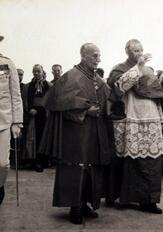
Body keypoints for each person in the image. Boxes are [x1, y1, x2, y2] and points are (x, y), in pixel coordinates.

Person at [40, 43, 114, 224]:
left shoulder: (97, 78)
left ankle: (86, 202)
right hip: (76, 132)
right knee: (76, 167)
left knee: (93, 167)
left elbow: (109, 97)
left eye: (99, 56)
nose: (99, 59)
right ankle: (75, 206)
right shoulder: (70, 77)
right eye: (95, 56)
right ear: (84, 56)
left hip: (95, 131)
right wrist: (85, 110)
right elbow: (59, 104)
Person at [107, 39, 163, 214]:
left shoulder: (149, 71)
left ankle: (149, 201)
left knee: (151, 160)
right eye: (135, 50)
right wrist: (137, 68)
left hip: (150, 118)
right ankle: (120, 197)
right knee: (126, 159)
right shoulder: (119, 69)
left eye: (140, 50)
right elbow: (117, 89)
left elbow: (157, 95)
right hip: (129, 118)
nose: (139, 53)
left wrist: (161, 119)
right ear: (127, 52)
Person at [0, 35, 23, 205]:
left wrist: (17, 122)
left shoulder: (7, 64)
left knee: (2, 164)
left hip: (4, 121)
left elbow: (16, 95)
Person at [24, 65, 52, 172]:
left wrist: (40, 110)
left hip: (45, 115)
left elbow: (51, 101)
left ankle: (45, 161)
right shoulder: (28, 86)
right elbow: (25, 100)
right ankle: (36, 162)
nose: (36, 73)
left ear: (42, 72)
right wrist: (30, 109)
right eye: (34, 71)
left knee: (44, 138)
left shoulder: (49, 85)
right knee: (34, 139)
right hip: (33, 117)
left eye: (38, 71)